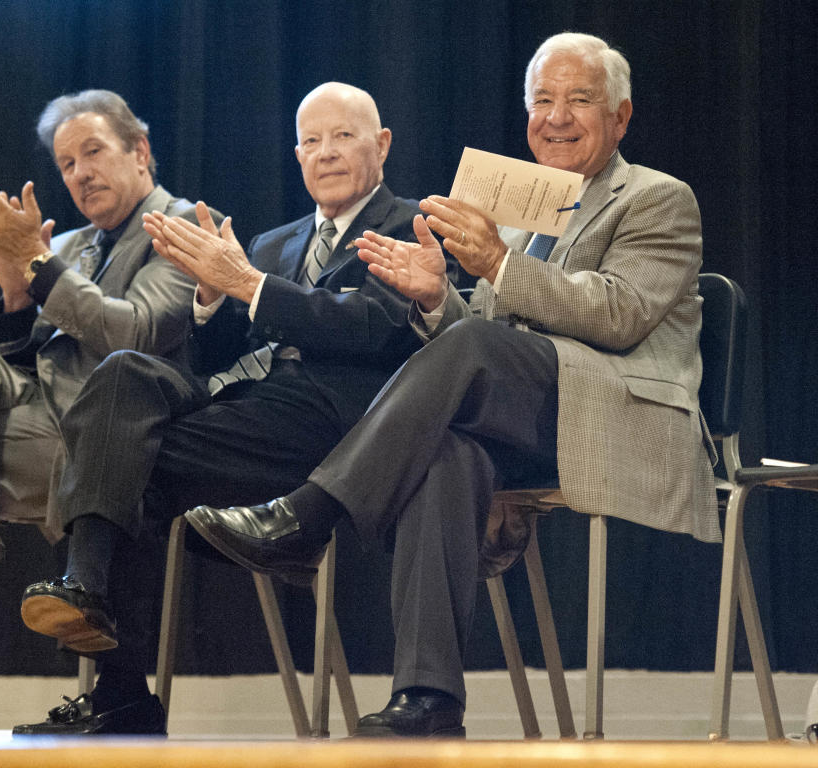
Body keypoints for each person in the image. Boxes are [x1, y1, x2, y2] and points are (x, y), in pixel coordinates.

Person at [186, 33, 720, 738]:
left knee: (470, 351)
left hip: (609, 409)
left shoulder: (658, 198)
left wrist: (497, 263)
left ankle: (308, 517)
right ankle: (429, 698)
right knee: (445, 452)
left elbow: (617, 314)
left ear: (620, 117)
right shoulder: (523, 203)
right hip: (524, 412)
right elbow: (486, 334)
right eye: (542, 101)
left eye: (579, 101)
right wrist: (437, 297)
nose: (556, 117)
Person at [12, 81, 459, 735]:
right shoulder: (277, 242)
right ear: (297, 155)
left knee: (124, 457)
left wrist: (247, 284)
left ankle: (115, 682)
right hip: (251, 405)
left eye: (342, 136)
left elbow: (377, 326)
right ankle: (93, 609)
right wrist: (208, 299)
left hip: (339, 427)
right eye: (310, 141)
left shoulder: (415, 224)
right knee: (123, 375)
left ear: (382, 144)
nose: (325, 152)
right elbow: (226, 349)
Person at [0, 89, 218, 735]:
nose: (79, 173)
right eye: (66, 164)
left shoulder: (185, 225)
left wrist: (40, 267)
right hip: (47, 423)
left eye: (93, 152)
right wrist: (15, 293)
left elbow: (134, 333)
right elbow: (16, 363)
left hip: (127, 442)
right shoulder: (73, 244)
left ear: (140, 153)